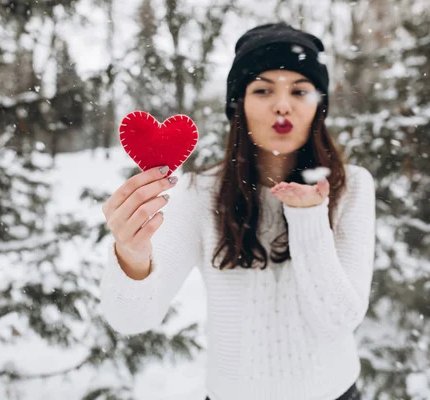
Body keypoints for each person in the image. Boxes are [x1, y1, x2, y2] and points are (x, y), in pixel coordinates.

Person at [100, 22, 375, 400]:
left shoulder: (352, 186)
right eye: (263, 90)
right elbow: (130, 318)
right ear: (238, 105)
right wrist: (131, 254)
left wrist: (310, 217)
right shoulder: (201, 194)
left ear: (318, 105)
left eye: (300, 90)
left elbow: (339, 321)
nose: (283, 104)